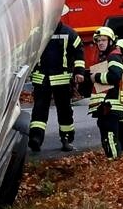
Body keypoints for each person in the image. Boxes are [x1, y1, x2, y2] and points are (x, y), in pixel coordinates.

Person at [28, 24, 87, 153]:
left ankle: (65, 139)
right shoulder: (36, 33)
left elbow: (79, 53)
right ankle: (36, 138)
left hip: (61, 80)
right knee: (39, 110)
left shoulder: (69, 33)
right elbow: (27, 52)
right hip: (43, 79)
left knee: (64, 111)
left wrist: (79, 72)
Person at [89, 28, 123, 160]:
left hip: (110, 105)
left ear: (111, 40)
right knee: (111, 137)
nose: (100, 43)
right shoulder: (108, 56)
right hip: (108, 104)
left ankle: (114, 164)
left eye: (103, 40)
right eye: (98, 41)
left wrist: (97, 77)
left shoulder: (113, 56)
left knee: (110, 137)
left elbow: (115, 75)